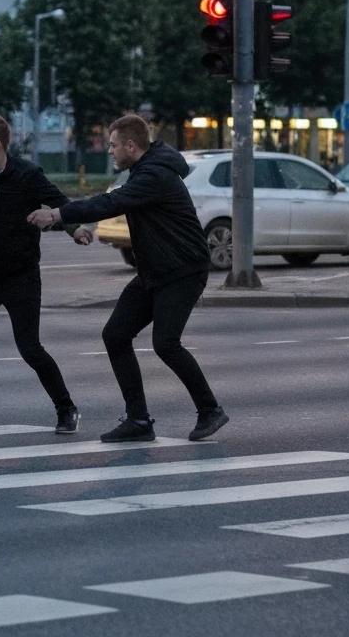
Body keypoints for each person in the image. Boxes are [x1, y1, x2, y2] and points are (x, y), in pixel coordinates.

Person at [28, 114, 228, 444]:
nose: (109, 151)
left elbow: (112, 202)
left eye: (113, 145)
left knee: (166, 343)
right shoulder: (146, 170)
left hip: (183, 271)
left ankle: (210, 410)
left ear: (130, 146)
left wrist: (59, 213)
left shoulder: (155, 176)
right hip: (155, 272)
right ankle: (138, 420)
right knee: (116, 335)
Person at [0, 114, 93, 435]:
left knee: (29, 347)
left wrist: (76, 228)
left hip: (21, 277)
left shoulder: (27, 174)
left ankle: (66, 409)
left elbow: (60, 204)